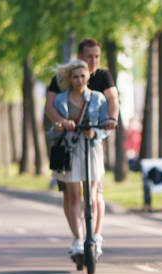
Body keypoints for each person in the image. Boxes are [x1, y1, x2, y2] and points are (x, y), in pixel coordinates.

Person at [45, 38, 119, 258]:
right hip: (69, 146)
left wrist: (111, 121)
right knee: (71, 195)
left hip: (93, 145)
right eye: (89, 56)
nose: (93, 60)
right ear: (79, 56)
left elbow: (112, 102)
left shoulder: (102, 79)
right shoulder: (61, 82)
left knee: (95, 194)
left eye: (96, 56)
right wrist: (61, 123)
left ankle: (95, 236)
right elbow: (49, 107)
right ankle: (78, 239)